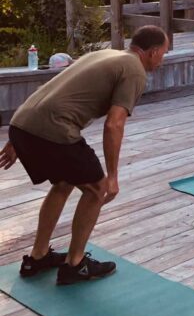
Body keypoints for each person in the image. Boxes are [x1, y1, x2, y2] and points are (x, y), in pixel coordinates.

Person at [0, 26, 169, 285]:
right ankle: (75, 265)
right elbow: (114, 124)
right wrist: (111, 176)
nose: (162, 60)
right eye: (163, 54)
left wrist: (17, 136)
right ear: (152, 51)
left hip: (22, 122)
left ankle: (38, 256)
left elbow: (53, 89)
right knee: (96, 188)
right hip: (54, 128)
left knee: (64, 182)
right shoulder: (135, 70)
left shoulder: (103, 55)